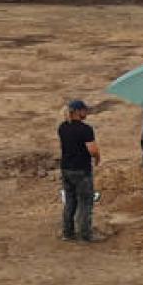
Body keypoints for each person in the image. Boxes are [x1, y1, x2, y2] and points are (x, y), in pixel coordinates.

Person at [58, 100, 101, 242]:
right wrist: (97, 157)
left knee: (70, 201)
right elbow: (92, 150)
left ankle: (67, 233)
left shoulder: (62, 127)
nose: (86, 112)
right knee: (85, 202)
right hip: (81, 170)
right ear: (77, 111)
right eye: (84, 110)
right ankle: (85, 234)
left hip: (66, 168)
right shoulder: (85, 129)